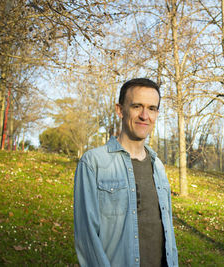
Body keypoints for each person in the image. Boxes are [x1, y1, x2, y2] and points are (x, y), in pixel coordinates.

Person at [73, 78, 178, 267]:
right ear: (120, 110)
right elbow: (87, 238)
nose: (145, 116)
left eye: (152, 108)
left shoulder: (158, 167)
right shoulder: (93, 163)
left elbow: (168, 235)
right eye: (137, 106)